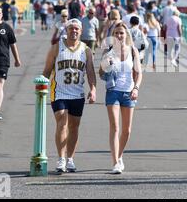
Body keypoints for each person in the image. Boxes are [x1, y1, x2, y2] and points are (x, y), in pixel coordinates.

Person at [42, 19, 97, 173]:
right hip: (59, 91)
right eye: (71, 28)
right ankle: (61, 159)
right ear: (66, 30)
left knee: (74, 126)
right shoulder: (56, 48)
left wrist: (93, 89)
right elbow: (46, 70)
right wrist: (42, 85)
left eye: (76, 29)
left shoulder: (85, 50)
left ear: (81, 31)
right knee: (62, 121)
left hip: (77, 93)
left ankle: (70, 158)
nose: (74, 31)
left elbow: (91, 71)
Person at [99, 22, 142, 174]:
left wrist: (136, 88)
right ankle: (115, 162)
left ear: (126, 35)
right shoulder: (108, 51)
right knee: (115, 127)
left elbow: (138, 73)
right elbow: (101, 74)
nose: (119, 35)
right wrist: (105, 64)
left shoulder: (133, 51)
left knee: (127, 130)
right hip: (113, 92)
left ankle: (120, 155)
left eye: (121, 33)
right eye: (116, 33)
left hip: (129, 93)